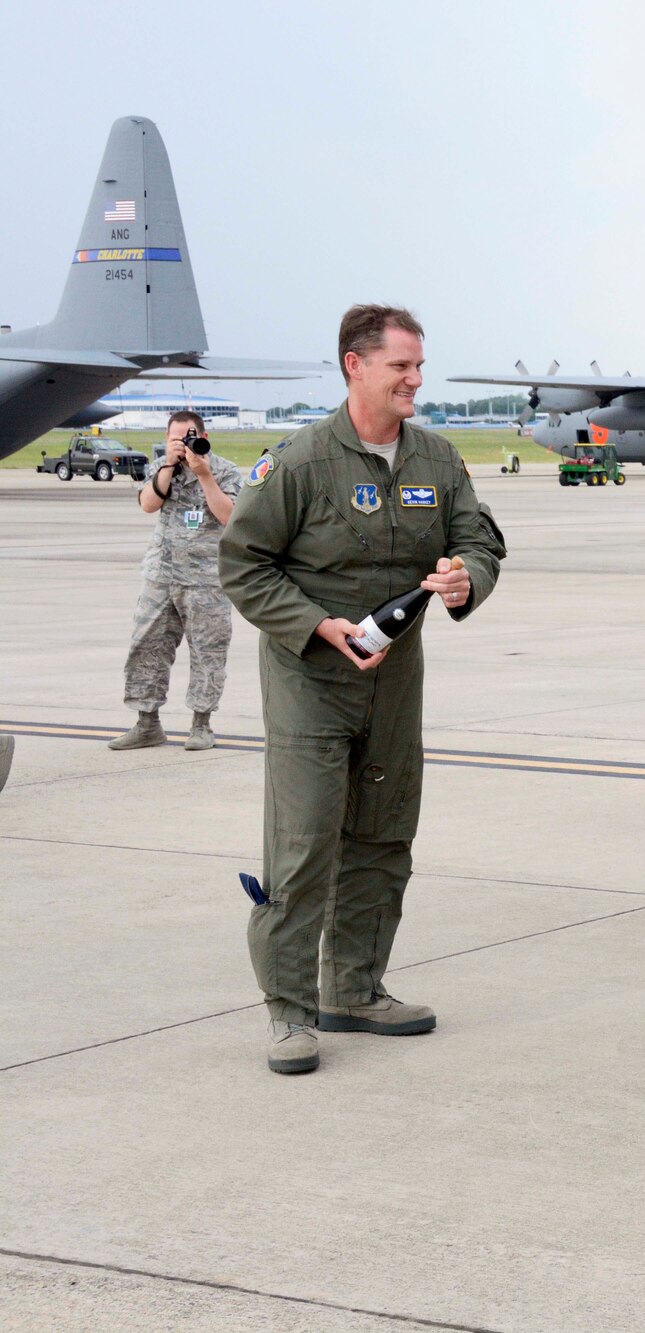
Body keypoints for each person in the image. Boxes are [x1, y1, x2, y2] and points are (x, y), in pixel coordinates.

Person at [219, 305, 505, 1075]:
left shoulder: (439, 461)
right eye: (401, 367)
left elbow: (479, 537)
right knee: (306, 842)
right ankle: (289, 1011)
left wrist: (463, 576)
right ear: (355, 365)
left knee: (382, 837)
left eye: (419, 366)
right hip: (311, 679)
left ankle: (354, 987)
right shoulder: (302, 463)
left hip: (394, 684)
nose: (416, 380)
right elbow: (244, 562)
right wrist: (316, 624)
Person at [108, 411, 241, 752]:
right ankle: (147, 723)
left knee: (208, 652)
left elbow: (230, 517)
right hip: (161, 577)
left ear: (204, 434)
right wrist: (168, 465)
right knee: (147, 648)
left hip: (205, 580)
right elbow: (148, 505)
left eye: (190, 436)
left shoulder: (224, 470)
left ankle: (202, 724)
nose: (184, 444)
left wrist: (204, 475)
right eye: (177, 438)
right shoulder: (160, 468)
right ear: (167, 438)